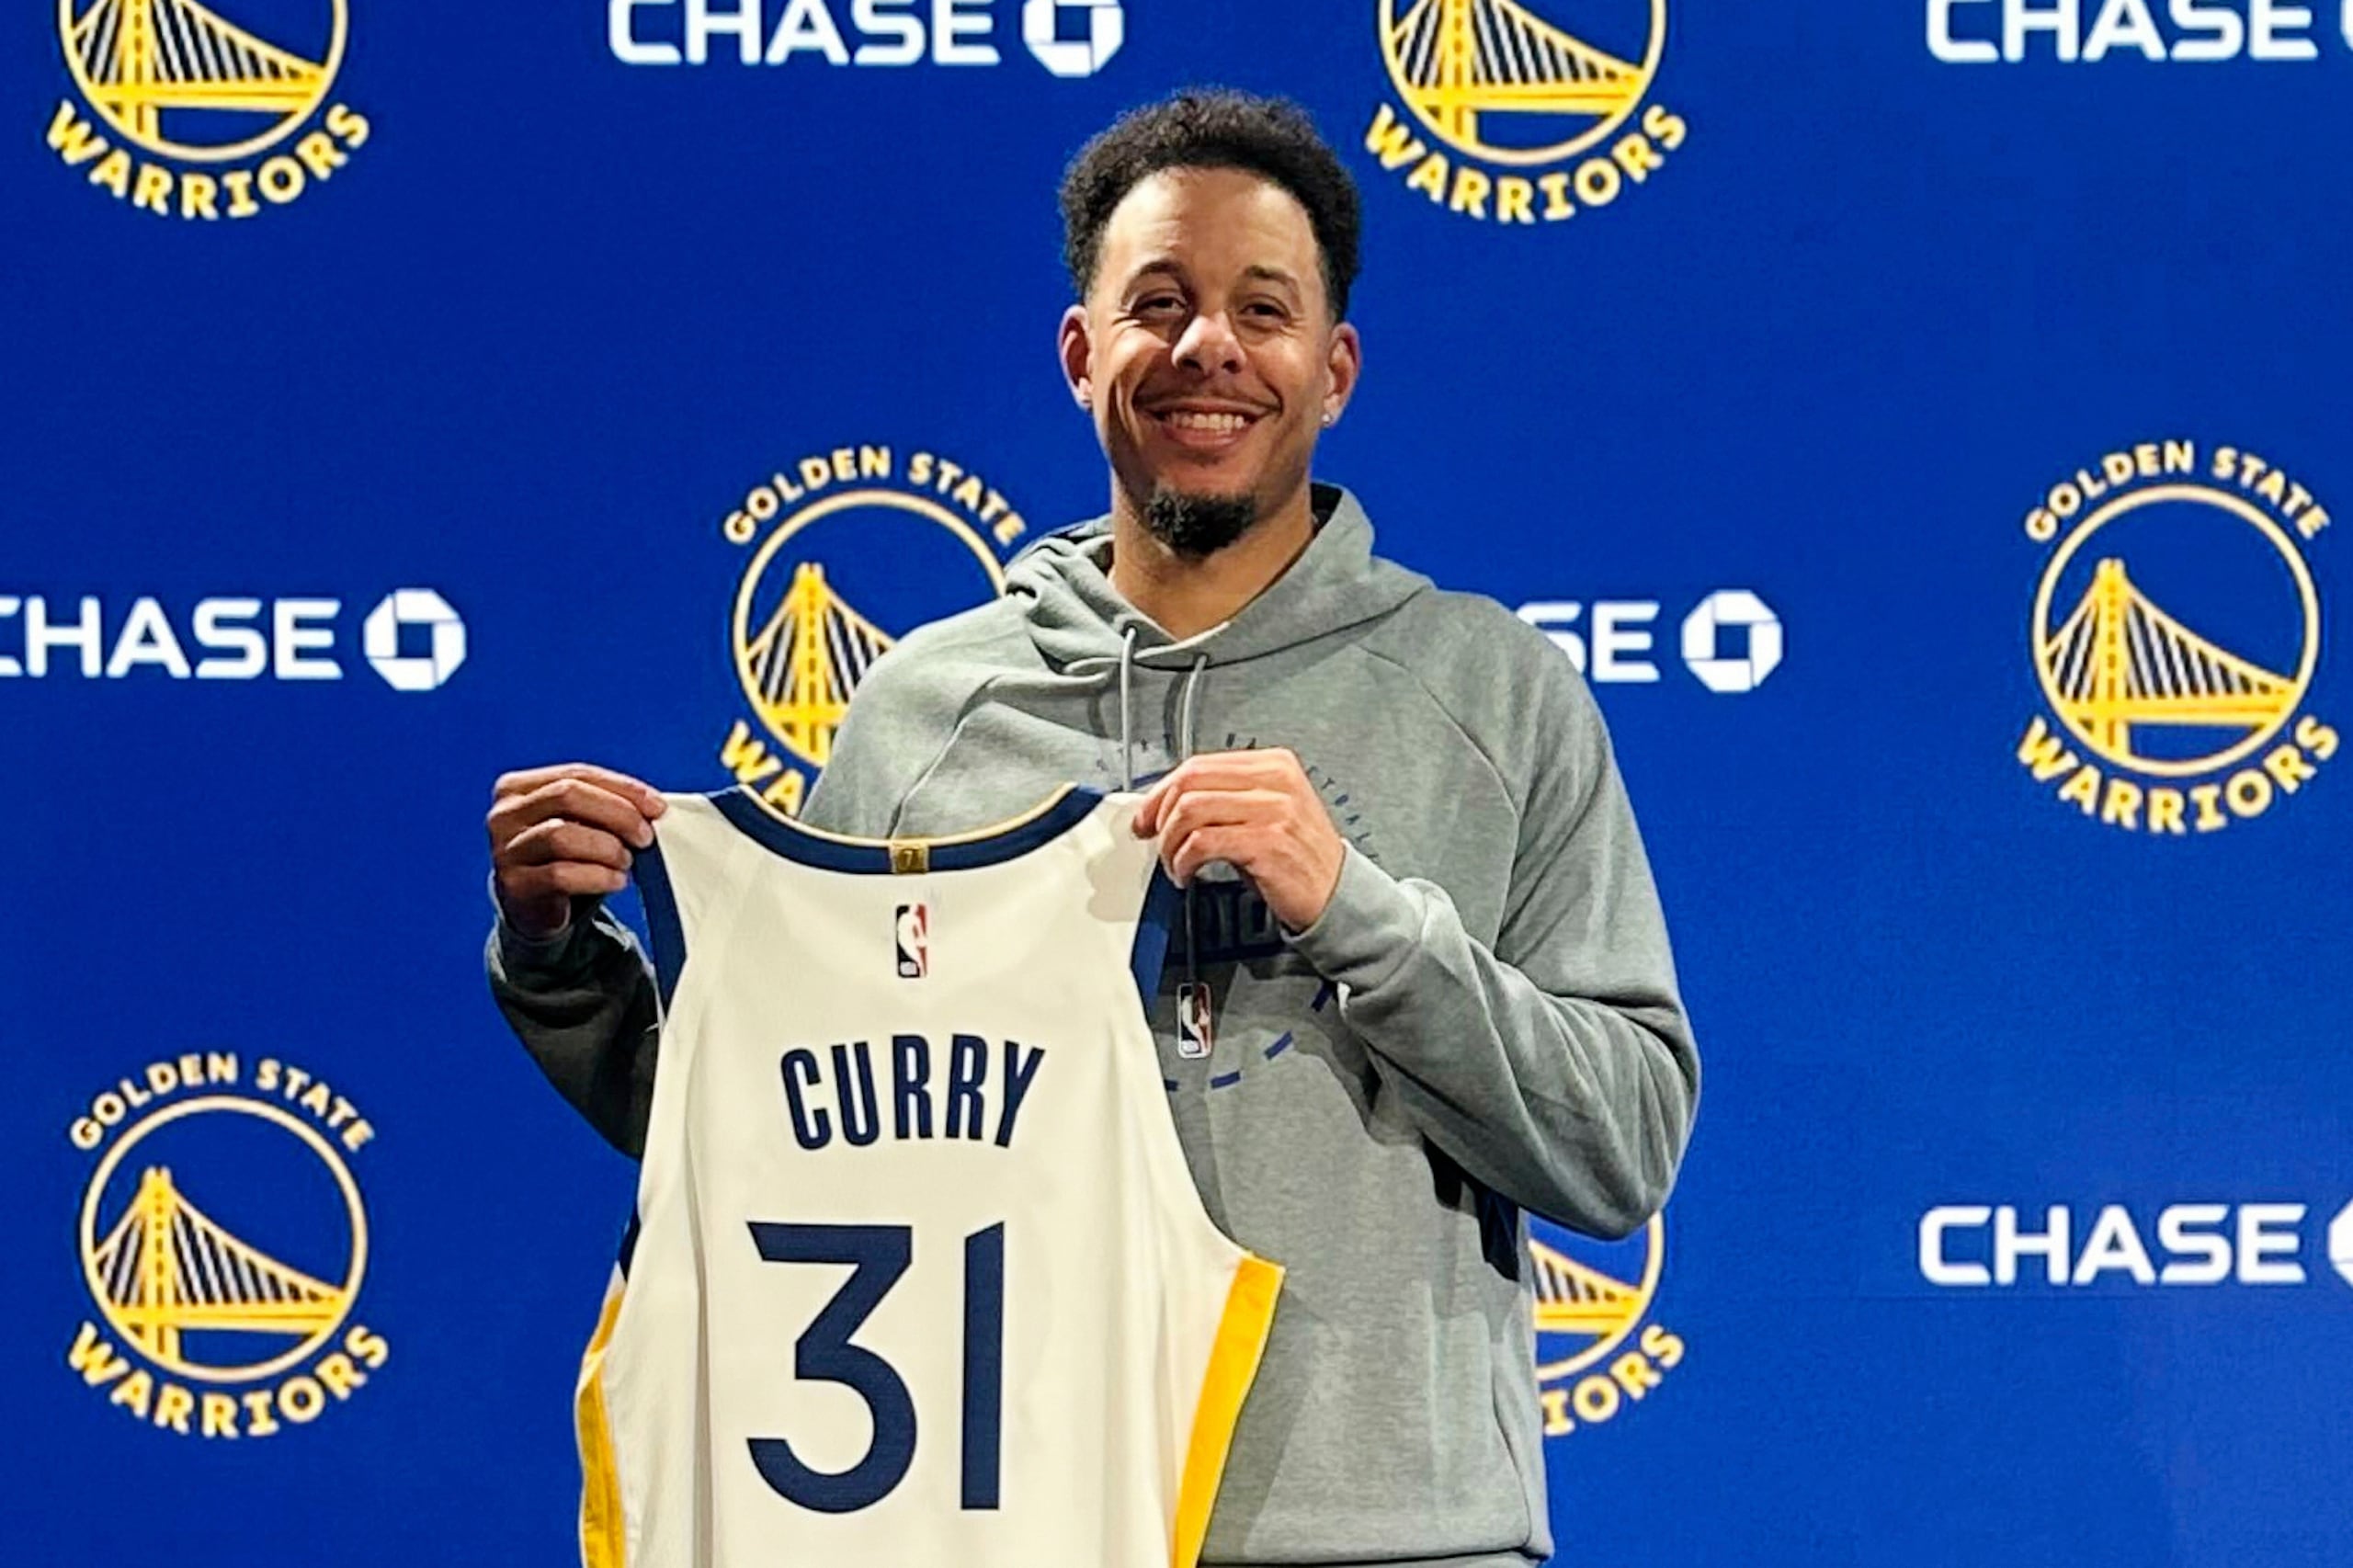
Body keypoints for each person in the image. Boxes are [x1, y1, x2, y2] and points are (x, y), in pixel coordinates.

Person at [488, 90, 1699, 1568]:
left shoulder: (1494, 691)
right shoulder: (928, 708)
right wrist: (562, 961)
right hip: (999, 1529)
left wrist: (1360, 913)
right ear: (1082, 355)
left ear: (1337, 368)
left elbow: (1621, 1146)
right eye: (1160, 304)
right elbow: (781, 1143)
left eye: (1264, 308)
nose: (1210, 350)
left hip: (1394, 1539)